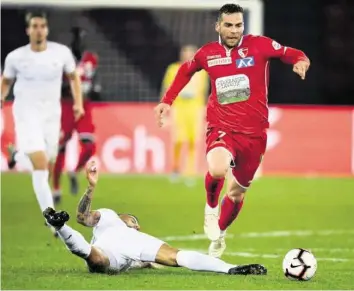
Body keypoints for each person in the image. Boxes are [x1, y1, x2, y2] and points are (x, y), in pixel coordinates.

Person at [154, 4, 310, 258]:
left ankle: (220, 234)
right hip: (221, 127)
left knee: (236, 194)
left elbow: (291, 52)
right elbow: (186, 71)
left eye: (238, 25)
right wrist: (166, 101)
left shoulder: (259, 45)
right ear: (218, 26)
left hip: (254, 135)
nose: (234, 30)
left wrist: (301, 61)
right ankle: (210, 208)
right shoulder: (208, 53)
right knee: (217, 168)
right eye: (228, 25)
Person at [43, 160, 267, 275]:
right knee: (96, 259)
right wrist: (91, 187)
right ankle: (61, 227)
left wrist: (148, 264)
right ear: (125, 218)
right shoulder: (110, 217)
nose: (136, 224)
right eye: (133, 220)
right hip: (106, 249)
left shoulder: (137, 238)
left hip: (122, 257)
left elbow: (155, 263)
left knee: (176, 257)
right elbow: (82, 218)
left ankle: (229, 269)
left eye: (136, 223)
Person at [2, 11, 84, 233]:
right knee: (40, 163)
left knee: (48, 162)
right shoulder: (16, 57)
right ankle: (52, 220)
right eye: (34, 26)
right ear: (28, 30)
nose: (39, 30)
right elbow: (6, 81)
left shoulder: (61, 53)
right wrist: (1, 98)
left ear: (46, 29)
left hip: (51, 114)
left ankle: (16, 156)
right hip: (26, 112)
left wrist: (78, 103)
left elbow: (74, 77)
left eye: (42, 26)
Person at [52, 27, 98, 203]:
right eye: (76, 39)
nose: (79, 43)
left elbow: (93, 80)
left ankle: (74, 171)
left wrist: (93, 90)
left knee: (89, 146)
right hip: (67, 106)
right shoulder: (62, 62)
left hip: (84, 106)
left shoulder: (91, 60)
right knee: (60, 148)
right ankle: (56, 188)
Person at [161, 45, 209, 186]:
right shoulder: (173, 69)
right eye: (185, 53)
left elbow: (204, 91)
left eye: (190, 53)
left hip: (195, 109)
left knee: (193, 141)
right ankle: (175, 169)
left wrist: (205, 109)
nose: (187, 55)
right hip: (179, 108)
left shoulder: (201, 71)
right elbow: (166, 88)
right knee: (178, 140)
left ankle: (190, 173)